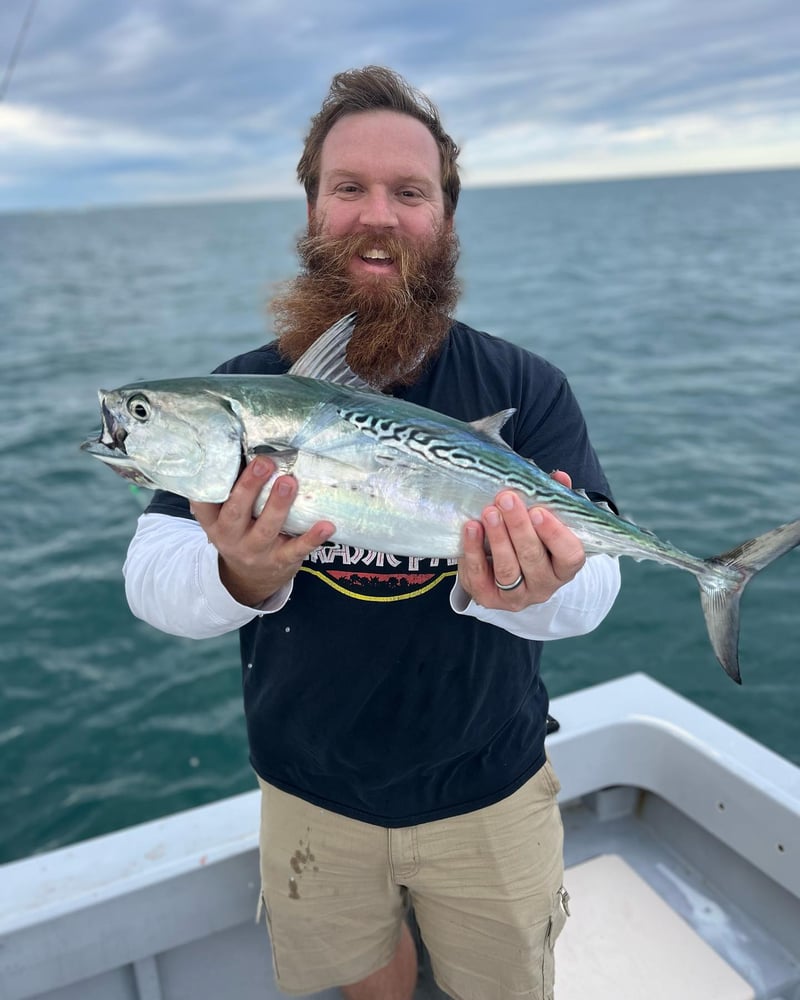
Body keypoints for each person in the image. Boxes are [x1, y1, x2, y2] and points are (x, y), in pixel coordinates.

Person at [124, 66, 621, 1000]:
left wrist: (527, 590)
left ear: (445, 219)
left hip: (491, 788)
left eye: (409, 192)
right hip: (310, 792)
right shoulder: (241, 393)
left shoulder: (528, 387)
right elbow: (151, 578)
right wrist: (239, 575)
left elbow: (595, 584)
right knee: (365, 982)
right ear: (312, 209)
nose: (377, 216)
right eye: (348, 188)